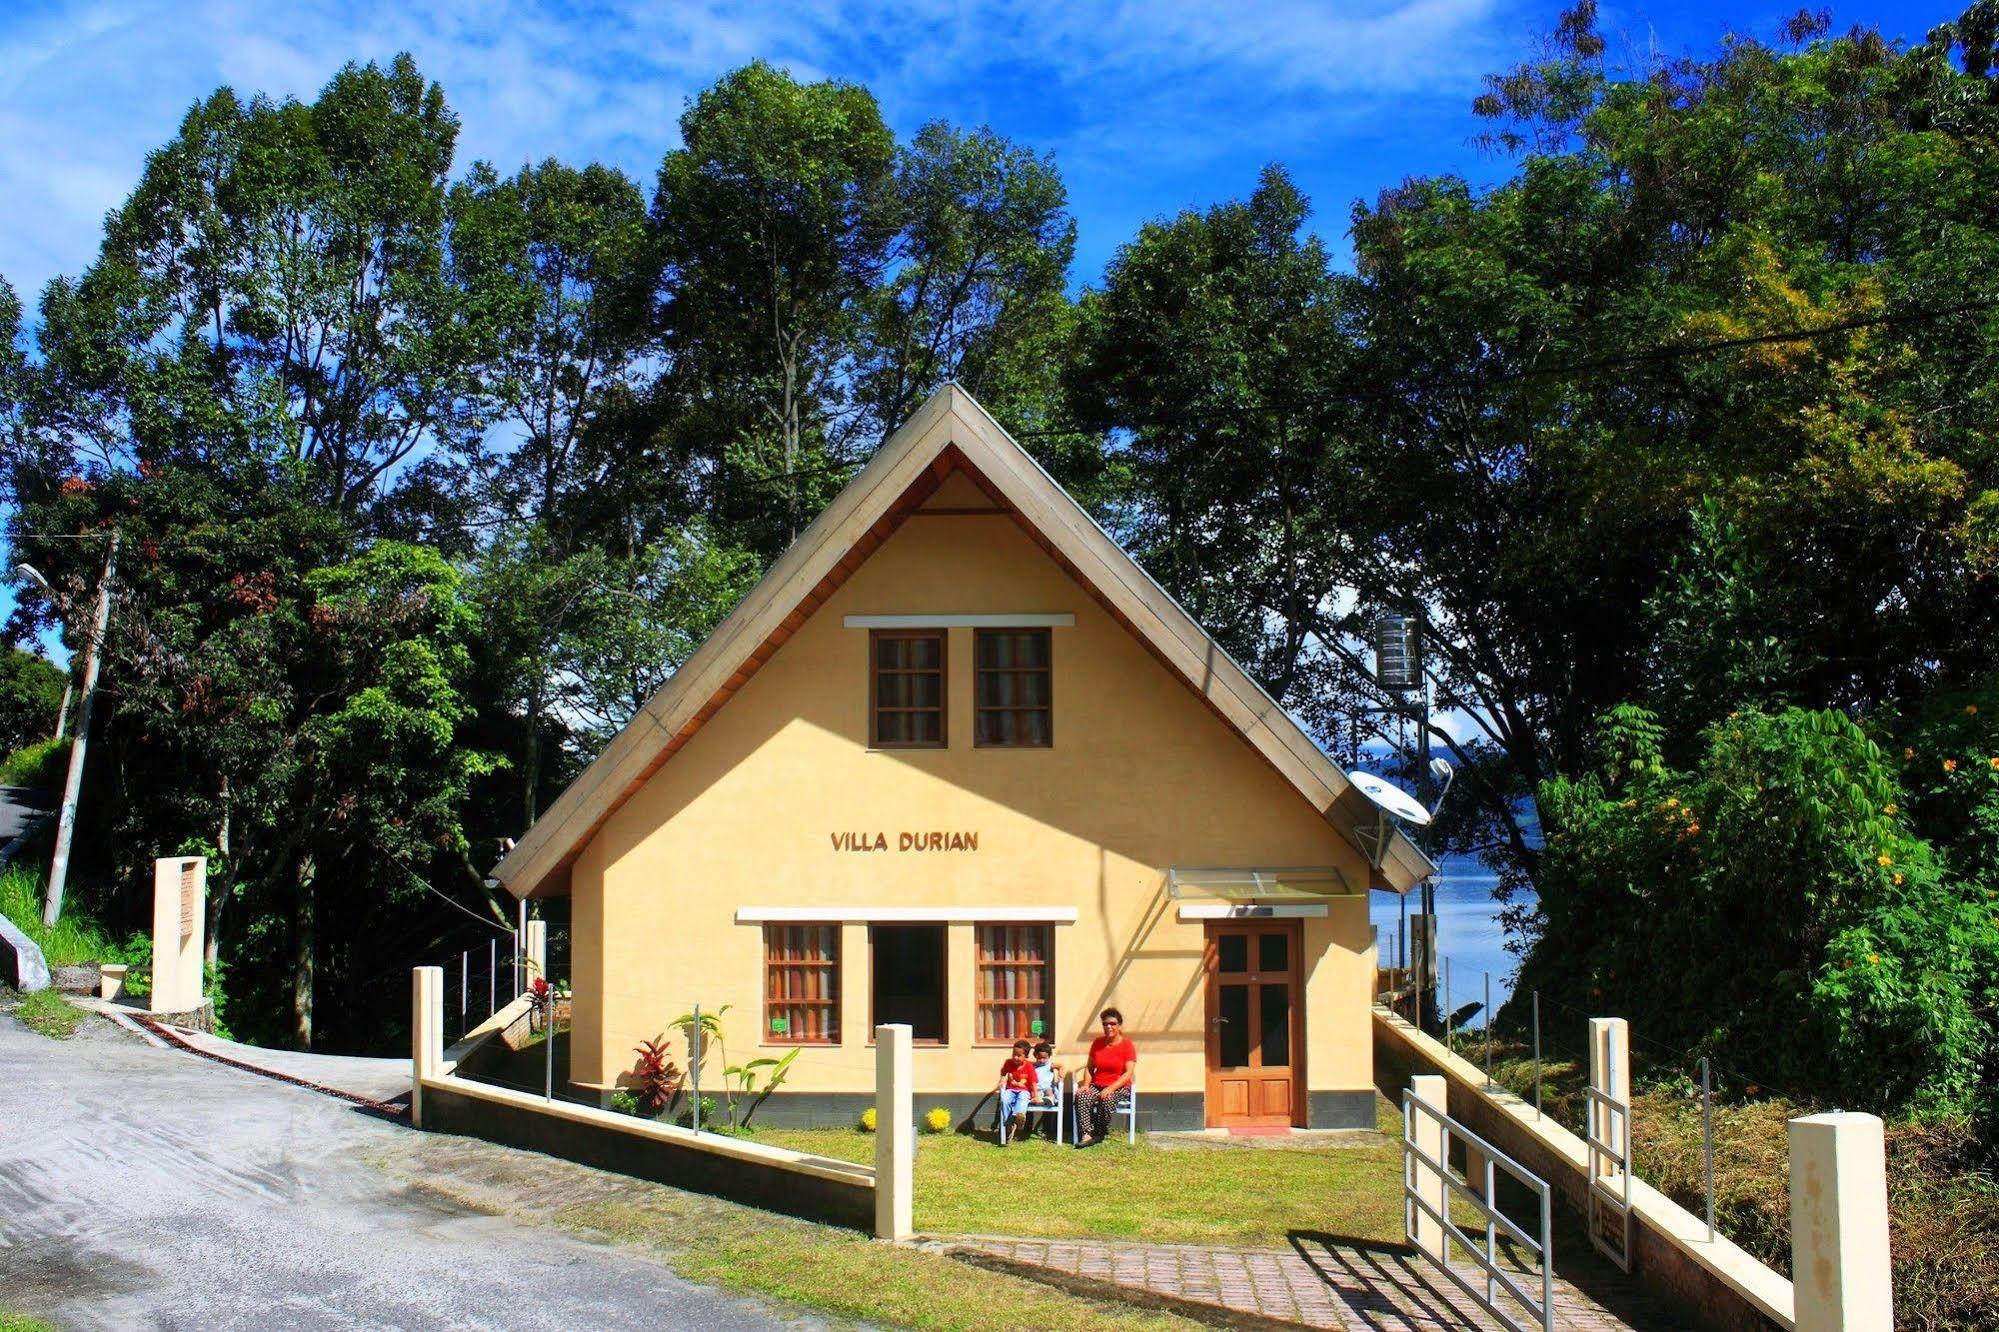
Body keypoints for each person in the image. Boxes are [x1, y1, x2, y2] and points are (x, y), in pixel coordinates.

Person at [1074, 1007, 1135, 1146]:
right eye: (1105, 1024)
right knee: (1082, 1096)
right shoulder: (1097, 1043)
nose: (1109, 1026)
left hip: (1119, 1086)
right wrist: (1085, 1085)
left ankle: (1099, 1132)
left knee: (1107, 1100)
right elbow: (1089, 1068)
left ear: (1119, 1026)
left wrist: (1111, 1089)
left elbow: (1128, 1072)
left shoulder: (1127, 1045)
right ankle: (1086, 1135)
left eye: (1113, 1024)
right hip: (1097, 1084)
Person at [996, 1038, 1035, 1144]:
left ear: (1025, 1056)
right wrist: (1002, 1080)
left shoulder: (1029, 1066)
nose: (1015, 1057)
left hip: (1024, 1090)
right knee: (1004, 1100)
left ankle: (1019, 1116)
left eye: (1019, 1055)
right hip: (1011, 1089)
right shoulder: (1008, 1063)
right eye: (1014, 1054)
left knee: (1023, 1098)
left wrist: (1036, 1095)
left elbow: (1033, 1082)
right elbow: (1004, 1073)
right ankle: (1010, 1124)